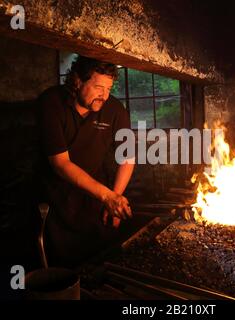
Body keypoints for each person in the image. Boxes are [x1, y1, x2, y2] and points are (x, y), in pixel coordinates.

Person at [37, 55, 135, 267]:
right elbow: (60, 163)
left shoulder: (115, 110)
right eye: (99, 87)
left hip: (97, 196)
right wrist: (108, 196)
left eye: (109, 88)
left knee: (100, 261)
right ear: (77, 80)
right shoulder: (51, 102)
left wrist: (114, 199)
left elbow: (127, 157)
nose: (104, 95)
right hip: (57, 198)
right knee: (62, 267)